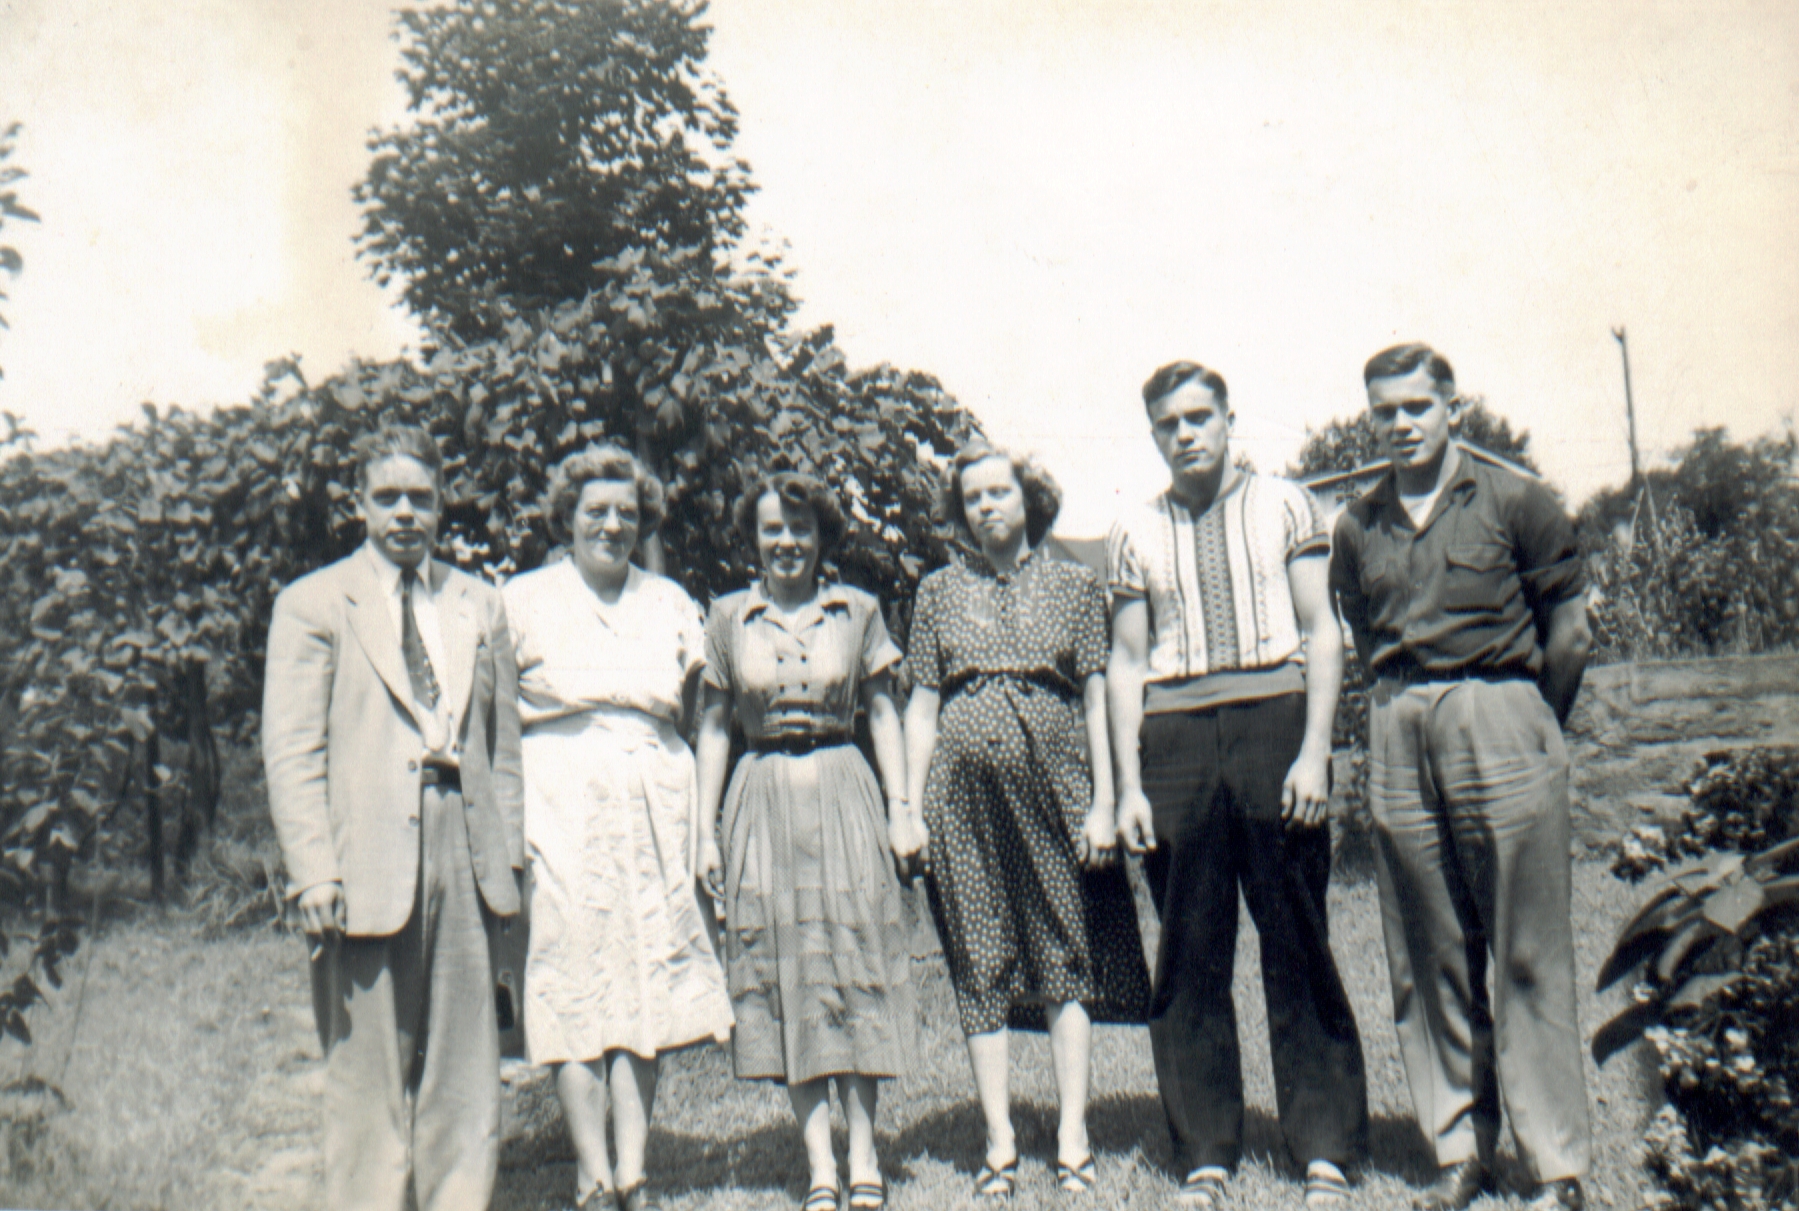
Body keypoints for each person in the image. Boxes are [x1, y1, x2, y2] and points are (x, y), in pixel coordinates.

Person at [1329, 344, 1593, 1211]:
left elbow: (1570, 632)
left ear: (1453, 407)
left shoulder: (1513, 498)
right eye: (1383, 410)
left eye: (1415, 406)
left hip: (1503, 714)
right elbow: (1365, 632)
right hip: (1401, 719)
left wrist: (1525, 721)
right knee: (1425, 954)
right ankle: (1458, 1152)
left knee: (1525, 952)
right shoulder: (1356, 521)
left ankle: (1554, 1166)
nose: (1399, 424)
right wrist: (1406, 706)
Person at [1108, 362, 1369, 1209]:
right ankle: (1204, 1153)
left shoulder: (1287, 503)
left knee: (1295, 936)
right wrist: (1127, 788)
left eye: (1197, 417)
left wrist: (1314, 751)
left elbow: (1320, 631)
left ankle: (1324, 1147)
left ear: (1227, 418)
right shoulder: (1133, 531)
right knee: (1188, 950)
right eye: (1166, 424)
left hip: (1273, 725)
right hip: (1173, 739)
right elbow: (1124, 662)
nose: (1184, 435)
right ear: (1152, 434)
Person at [262, 424, 524, 1211]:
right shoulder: (313, 602)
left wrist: (504, 859)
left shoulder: (478, 600)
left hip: (464, 845)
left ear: (442, 504)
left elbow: (501, 743)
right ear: (359, 504)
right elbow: (292, 748)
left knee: (466, 1072)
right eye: (388, 497)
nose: (406, 512)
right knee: (366, 1074)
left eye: (422, 497)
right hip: (365, 855)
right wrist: (315, 870)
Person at [904, 440, 1152, 1200]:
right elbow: (921, 703)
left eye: (997, 492)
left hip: (1057, 791)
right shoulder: (937, 591)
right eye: (970, 497)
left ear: (1029, 499)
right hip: (960, 799)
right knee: (980, 958)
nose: (984, 507)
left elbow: (1094, 696)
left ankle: (1073, 1136)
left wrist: (1104, 802)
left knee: (1061, 950)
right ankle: (999, 1141)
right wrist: (909, 809)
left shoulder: (1077, 587)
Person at [501, 445, 734, 1211]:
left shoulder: (668, 600)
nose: (611, 524)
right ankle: (589, 1171)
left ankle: (633, 1170)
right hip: (559, 800)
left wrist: (697, 819)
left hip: (653, 799)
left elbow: (698, 714)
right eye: (594, 510)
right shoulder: (522, 599)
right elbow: (497, 720)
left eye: (626, 512)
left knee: (642, 976)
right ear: (565, 518)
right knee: (569, 971)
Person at [694, 472, 920, 1211]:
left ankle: (863, 1153)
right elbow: (715, 728)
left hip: (843, 786)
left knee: (854, 958)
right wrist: (705, 831)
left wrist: (900, 808)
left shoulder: (855, 609)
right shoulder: (728, 616)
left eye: (799, 528)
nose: (785, 542)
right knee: (785, 967)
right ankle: (818, 1160)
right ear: (752, 538)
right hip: (759, 798)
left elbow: (883, 713)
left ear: (821, 535)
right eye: (771, 529)